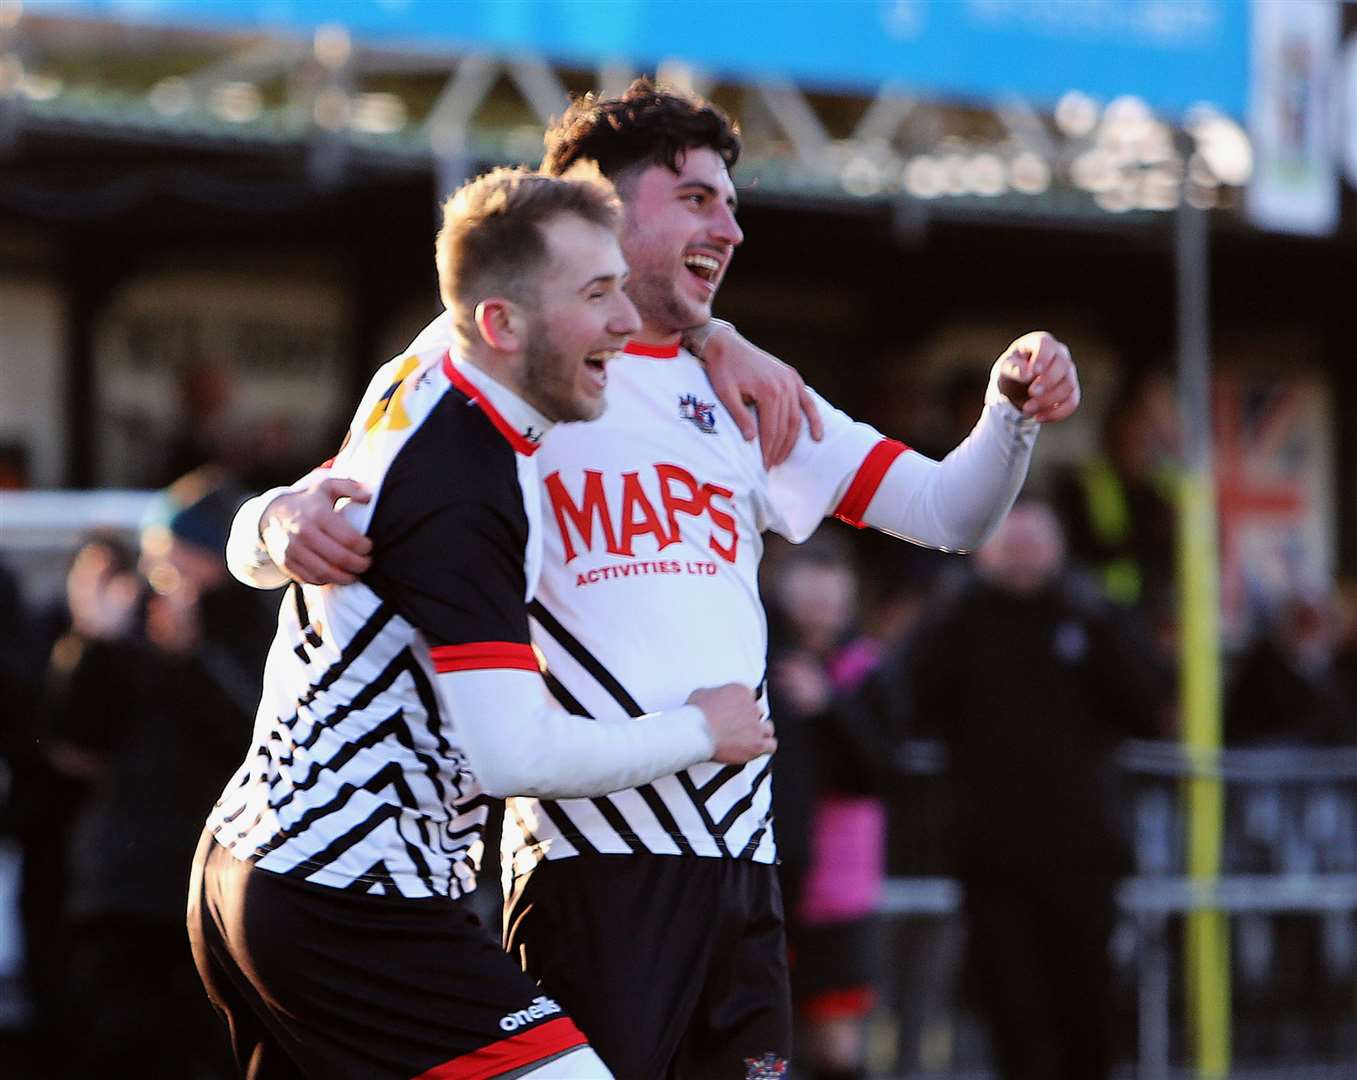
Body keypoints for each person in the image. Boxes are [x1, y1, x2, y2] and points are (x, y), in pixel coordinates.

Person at [226, 81, 1082, 1078]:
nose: (732, 225)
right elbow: (333, 512)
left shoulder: (746, 389)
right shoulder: (505, 362)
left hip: (742, 862)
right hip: (590, 864)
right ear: (592, 205)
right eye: (696, 197)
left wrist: (1009, 413)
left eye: (730, 199)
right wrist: (265, 525)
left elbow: (947, 513)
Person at [190, 166, 773, 1080]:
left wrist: (267, 524)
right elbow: (517, 760)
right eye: (596, 294)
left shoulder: (423, 381)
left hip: (260, 868)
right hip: (349, 897)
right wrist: (704, 729)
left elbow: (258, 544)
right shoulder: (465, 485)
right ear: (503, 326)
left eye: (622, 284)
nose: (626, 322)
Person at [880, 499, 1168, 1080]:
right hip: (993, 865)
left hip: (1085, 858)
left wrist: (1104, 622)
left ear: (1059, 550)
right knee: (1014, 1023)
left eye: (1035, 544)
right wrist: (942, 613)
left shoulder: (1089, 617)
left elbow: (1149, 703)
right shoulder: (960, 620)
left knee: (1089, 1018)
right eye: (1010, 545)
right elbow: (903, 699)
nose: (1023, 558)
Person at [766, 539, 897, 1080]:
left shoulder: (868, 669)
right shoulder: (752, 657)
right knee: (763, 1037)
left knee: (835, 1042)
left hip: (838, 884)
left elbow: (881, 772)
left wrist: (829, 707)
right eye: (808, 582)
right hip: (764, 874)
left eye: (831, 585)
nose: (820, 600)